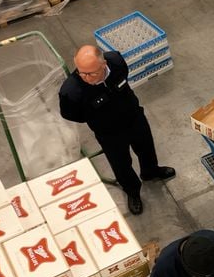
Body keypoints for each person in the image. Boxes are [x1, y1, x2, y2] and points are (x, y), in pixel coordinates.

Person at [58, 45, 175, 215]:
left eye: (91, 73)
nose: (85, 77)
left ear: (103, 64)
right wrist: (97, 119)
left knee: (146, 147)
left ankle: (150, 171)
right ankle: (132, 191)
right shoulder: (72, 91)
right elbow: (71, 114)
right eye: (81, 72)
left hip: (134, 118)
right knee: (121, 165)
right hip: (109, 133)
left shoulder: (116, 61)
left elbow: (124, 76)